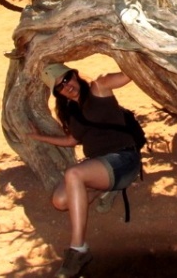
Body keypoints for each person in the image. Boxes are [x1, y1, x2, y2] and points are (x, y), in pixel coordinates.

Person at [28, 63, 142, 278]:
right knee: (60, 201)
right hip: (100, 165)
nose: (66, 85)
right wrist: (39, 137)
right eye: (60, 86)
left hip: (124, 159)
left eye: (67, 78)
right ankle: (107, 189)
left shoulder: (99, 87)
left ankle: (78, 249)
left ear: (75, 75)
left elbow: (130, 74)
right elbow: (72, 140)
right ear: (57, 93)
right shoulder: (70, 111)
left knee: (74, 174)